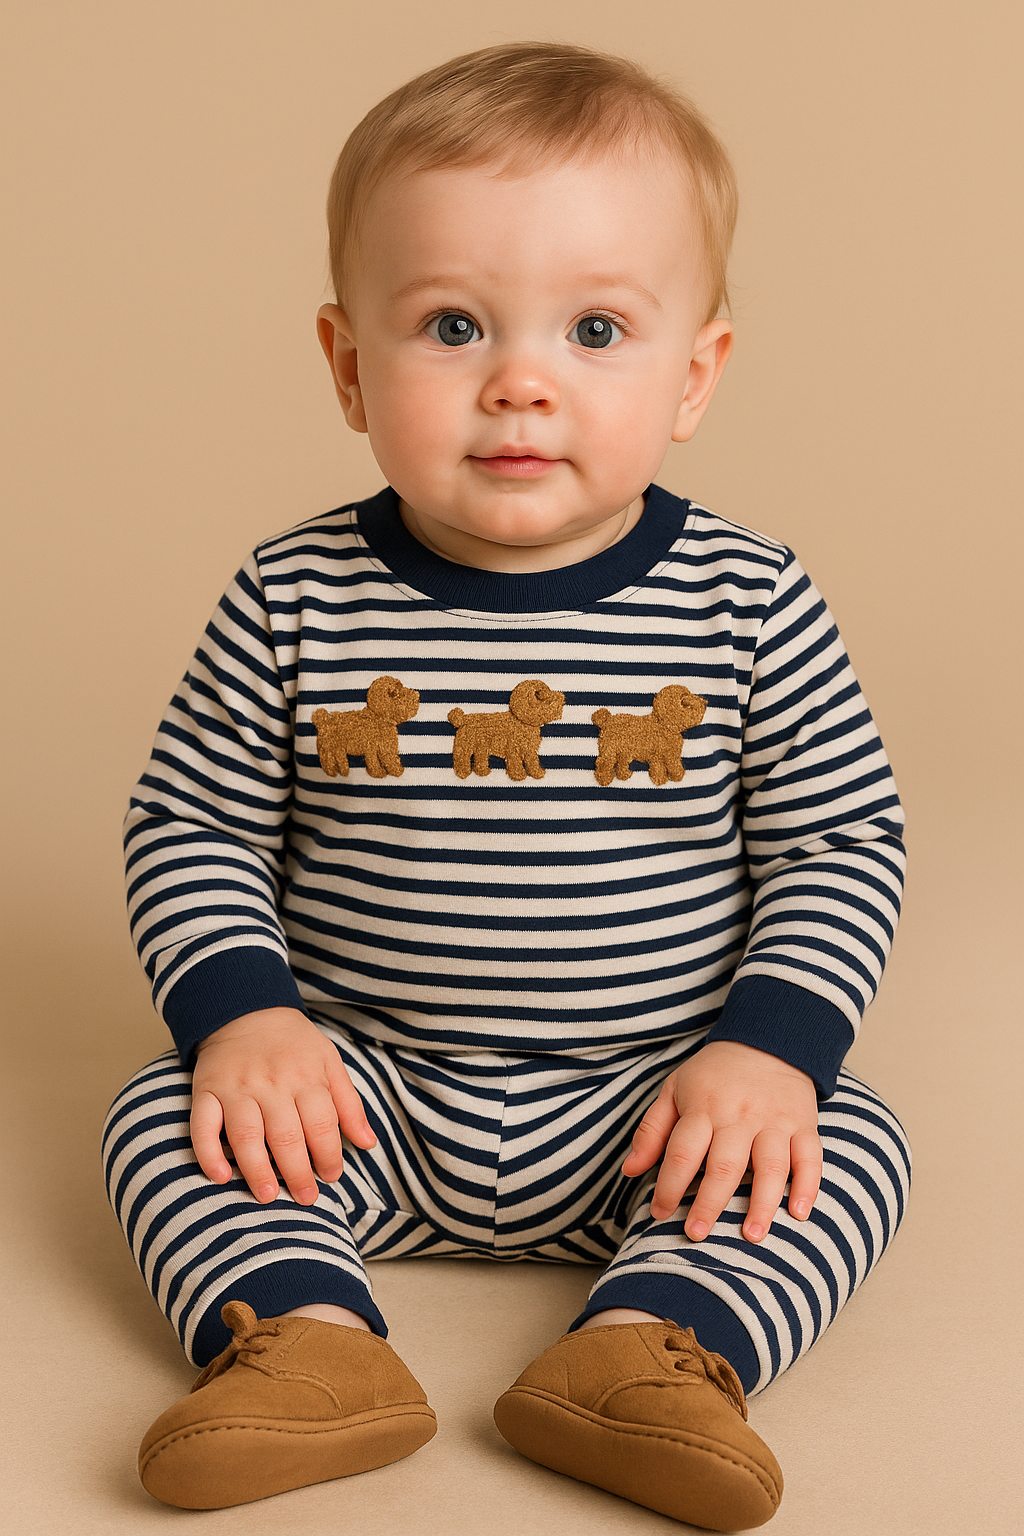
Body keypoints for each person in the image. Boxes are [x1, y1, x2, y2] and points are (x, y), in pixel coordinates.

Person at [102, 40, 911, 1530]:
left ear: (696, 374)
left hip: (656, 1103)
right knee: (162, 1108)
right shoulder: (294, 596)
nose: (522, 382)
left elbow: (841, 842)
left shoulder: (750, 600)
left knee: (848, 1137)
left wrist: (768, 1051)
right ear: (350, 367)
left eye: (598, 329)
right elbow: (192, 824)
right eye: (455, 326)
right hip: (360, 1095)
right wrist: (251, 1022)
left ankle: (653, 1353)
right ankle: (305, 1345)